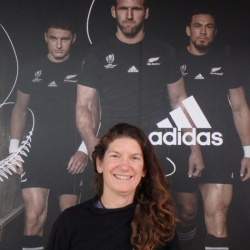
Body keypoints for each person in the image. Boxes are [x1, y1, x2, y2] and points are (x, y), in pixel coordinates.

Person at [76, 0, 204, 180]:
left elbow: (179, 100)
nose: (129, 16)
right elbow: (84, 104)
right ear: (114, 11)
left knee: (150, 205)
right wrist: (90, 143)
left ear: (146, 12)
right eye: (123, 9)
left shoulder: (165, 51)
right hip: (112, 143)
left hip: (153, 145)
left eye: (135, 9)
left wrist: (195, 149)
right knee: (114, 206)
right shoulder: (97, 53)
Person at [9, 17, 96, 250]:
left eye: (65, 39)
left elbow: (93, 112)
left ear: (73, 40)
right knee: (33, 217)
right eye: (54, 38)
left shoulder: (83, 68)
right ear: (46, 38)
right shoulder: (31, 68)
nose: (59, 45)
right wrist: (14, 151)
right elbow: (19, 109)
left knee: (68, 220)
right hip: (36, 154)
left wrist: (83, 151)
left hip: (70, 156)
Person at [169, 10, 250, 250]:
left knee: (218, 215)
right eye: (198, 26)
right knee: (186, 214)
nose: (203, 31)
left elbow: (240, 108)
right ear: (188, 30)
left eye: (209, 27)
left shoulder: (226, 64)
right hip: (183, 146)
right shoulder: (172, 61)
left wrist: (248, 150)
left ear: (214, 32)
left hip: (219, 147)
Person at [46, 123, 181, 250]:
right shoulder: (70, 221)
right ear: (99, 164)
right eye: (115, 156)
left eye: (134, 158)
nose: (124, 166)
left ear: (144, 169)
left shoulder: (160, 222)